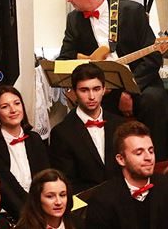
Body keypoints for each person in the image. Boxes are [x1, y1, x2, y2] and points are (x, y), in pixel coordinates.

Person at [56, 0, 168, 155]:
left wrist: (129, 91)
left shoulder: (132, 11)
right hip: (101, 88)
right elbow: (66, 57)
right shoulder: (74, 19)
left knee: (154, 101)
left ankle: (157, 162)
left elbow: (152, 57)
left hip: (138, 81)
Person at [85, 122, 168, 229]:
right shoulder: (103, 200)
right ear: (121, 159)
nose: (148, 157)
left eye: (151, 151)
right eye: (139, 153)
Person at [0, 86, 50, 221]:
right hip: (7, 215)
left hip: (41, 210)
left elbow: (45, 178)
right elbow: (5, 189)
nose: (13, 110)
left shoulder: (35, 139)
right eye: (5, 106)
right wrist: (29, 217)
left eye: (17, 103)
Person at [49, 63, 126, 193]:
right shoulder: (61, 133)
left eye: (96, 89)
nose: (91, 96)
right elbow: (66, 182)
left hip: (121, 199)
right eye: (84, 90)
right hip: (85, 204)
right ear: (74, 92)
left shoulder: (120, 125)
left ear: (104, 89)